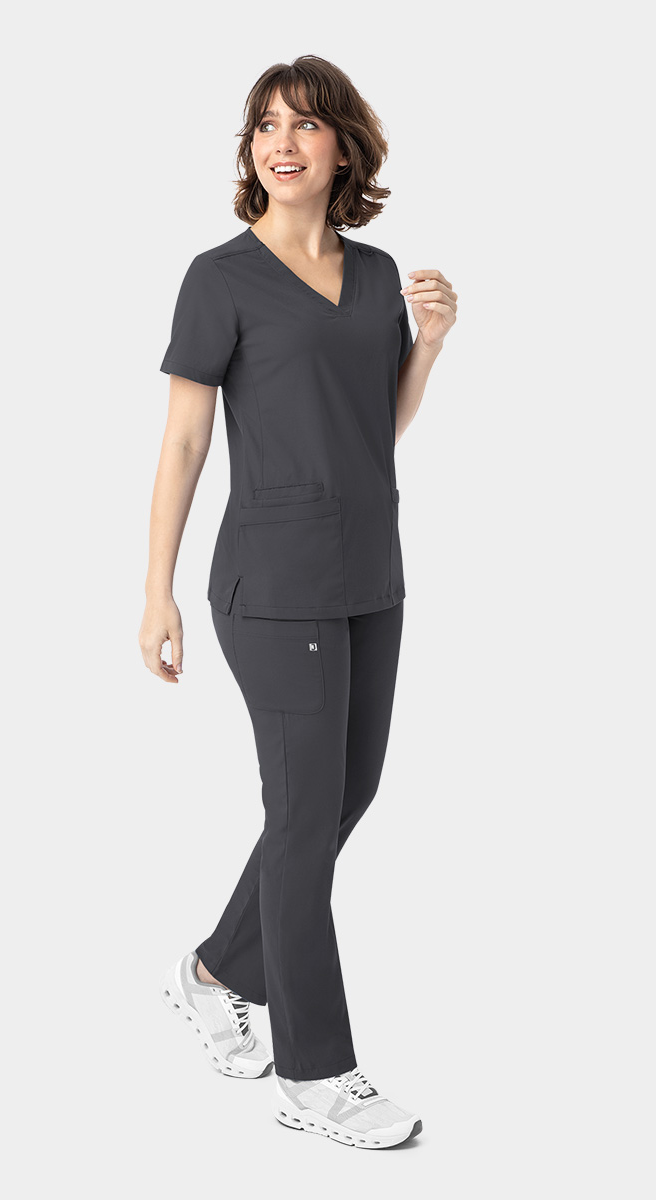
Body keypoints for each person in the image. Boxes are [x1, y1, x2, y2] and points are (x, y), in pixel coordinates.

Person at [140, 55, 457, 1149]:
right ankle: (315, 1074)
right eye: (266, 125)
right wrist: (156, 589)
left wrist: (430, 346)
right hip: (273, 585)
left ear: (343, 149)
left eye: (306, 125)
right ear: (251, 150)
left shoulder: (376, 275)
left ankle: (213, 970)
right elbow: (186, 442)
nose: (282, 142)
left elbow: (376, 426)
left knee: (338, 797)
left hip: (371, 571)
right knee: (305, 813)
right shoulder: (219, 278)